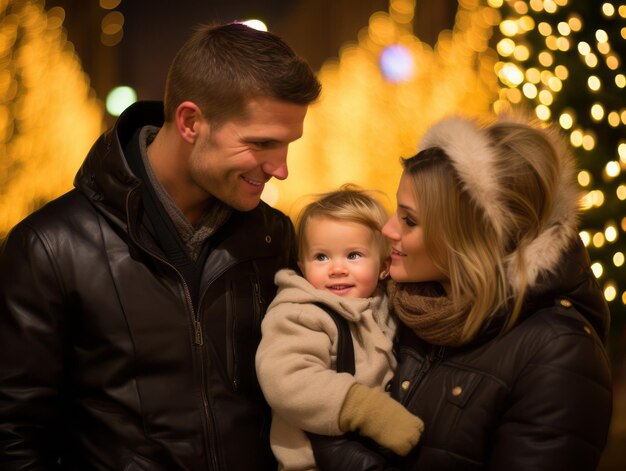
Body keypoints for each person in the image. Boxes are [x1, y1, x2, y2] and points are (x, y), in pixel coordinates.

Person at [0, 23, 321, 470]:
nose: (281, 169)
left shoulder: (273, 236)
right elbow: (16, 434)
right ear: (191, 122)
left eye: (288, 144)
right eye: (261, 142)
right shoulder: (51, 245)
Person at [312, 115, 613, 470]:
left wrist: (334, 451)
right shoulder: (396, 303)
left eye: (409, 220)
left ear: (466, 238)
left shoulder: (558, 353)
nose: (388, 229)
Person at [256, 186, 424, 470]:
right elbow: (286, 378)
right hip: (317, 461)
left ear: (384, 266)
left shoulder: (387, 306)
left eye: (353, 255)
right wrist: (368, 410)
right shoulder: (300, 312)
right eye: (321, 257)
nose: (336, 269)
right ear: (302, 266)